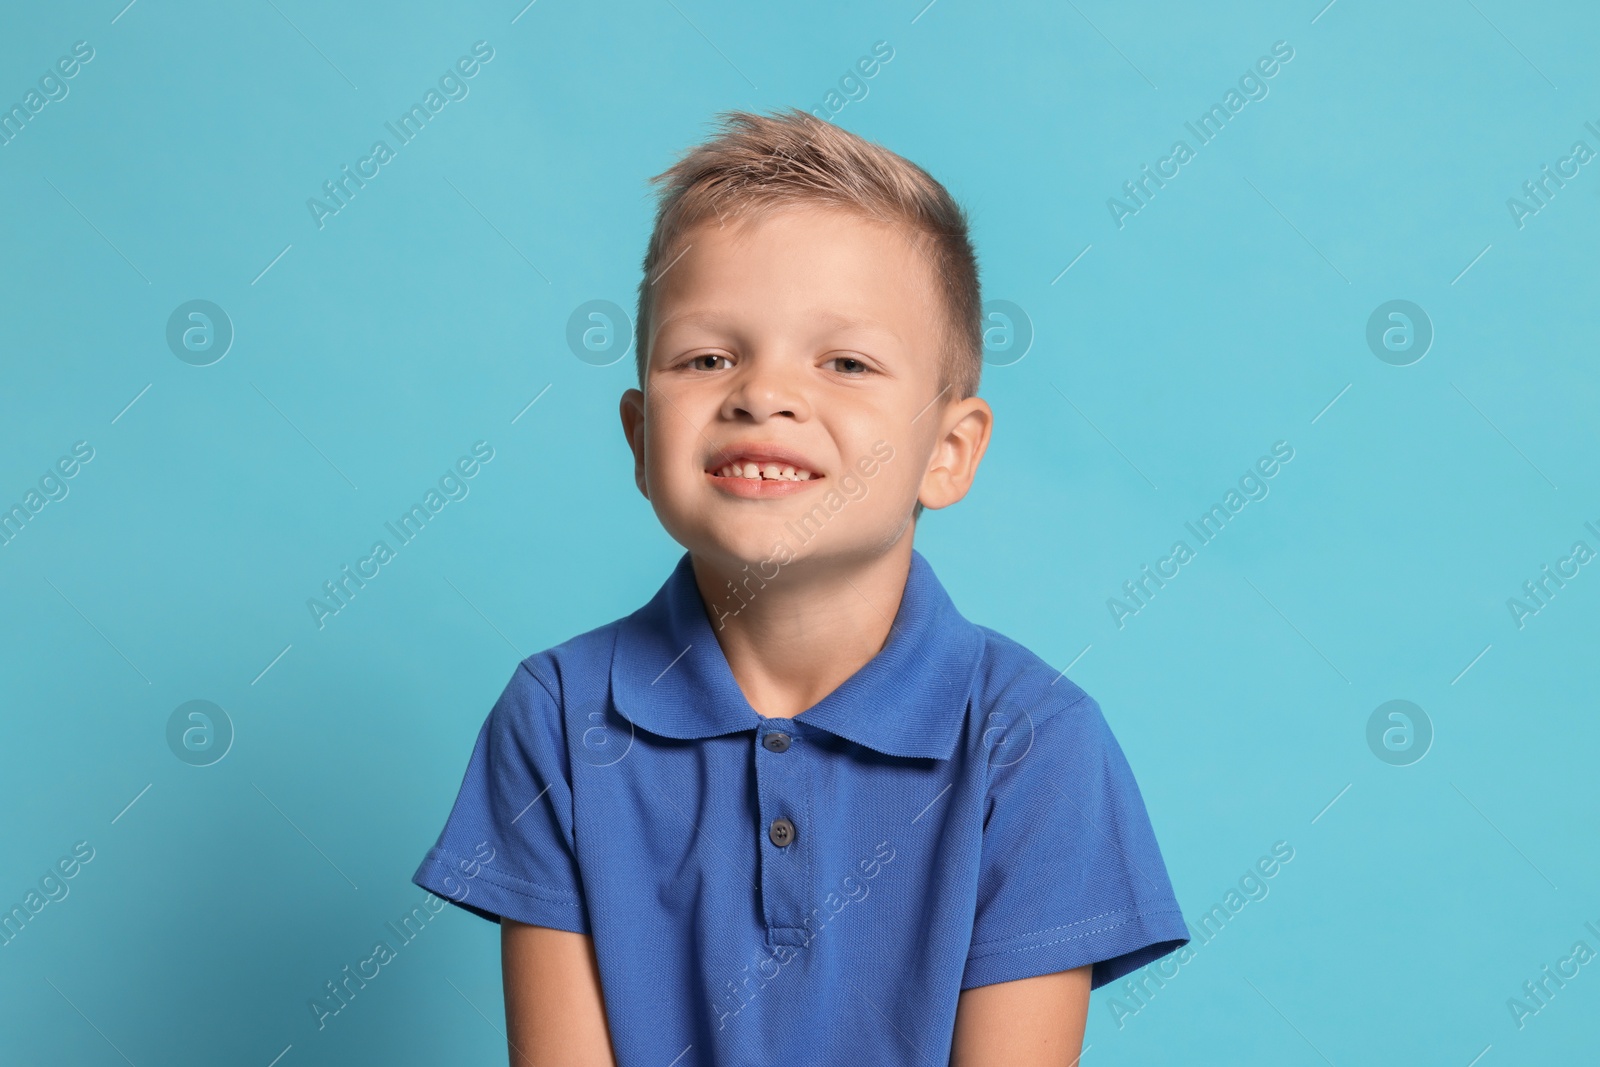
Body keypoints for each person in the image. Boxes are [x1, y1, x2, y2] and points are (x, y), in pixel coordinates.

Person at [412, 106, 1188, 1067]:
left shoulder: (1036, 745)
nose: (762, 393)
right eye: (707, 357)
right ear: (641, 438)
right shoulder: (558, 719)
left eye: (846, 362)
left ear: (948, 452)